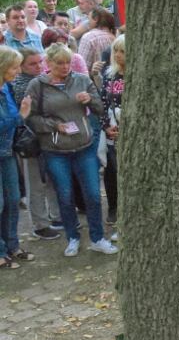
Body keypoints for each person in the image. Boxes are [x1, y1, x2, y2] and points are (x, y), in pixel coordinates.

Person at [26, 44, 117, 257]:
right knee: (65, 196)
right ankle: (73, 237)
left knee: (93, 195)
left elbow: (101, 108)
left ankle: (97, 238)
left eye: (68, 62)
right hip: (55, 149)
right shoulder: (37, 85)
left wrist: (90, 100)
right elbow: (30, 117)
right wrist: (54, 126)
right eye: (59, 63)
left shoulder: (81, 80)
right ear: (48, 64)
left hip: (84, 146)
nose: (65, 66)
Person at [11, 49, 60, 239]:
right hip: (30, 140)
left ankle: (56, 216)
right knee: (35, 182)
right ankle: (39, 224)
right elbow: (28, 115)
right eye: (33, 64)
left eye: (40, 62)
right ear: (22, 66)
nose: (39, 66)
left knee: (51, 178)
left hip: (49, 137)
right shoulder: (20, 86)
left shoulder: (44, 81)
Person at [0, 47, 34, 269]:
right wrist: (21, 116)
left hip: (8, 152)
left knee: (13, 201)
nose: (17, 70)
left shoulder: (7, 89)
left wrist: (21, 116)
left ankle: (13, 245)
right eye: (14, 67)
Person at [98, 35, 126, 225]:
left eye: (122, 51)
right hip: (112, 132)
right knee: (111, 172)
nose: (117, 55)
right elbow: (103, 103)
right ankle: (114, 209)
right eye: (115, 50)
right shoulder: (110, 74)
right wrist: (107, 126)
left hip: (131, 131)